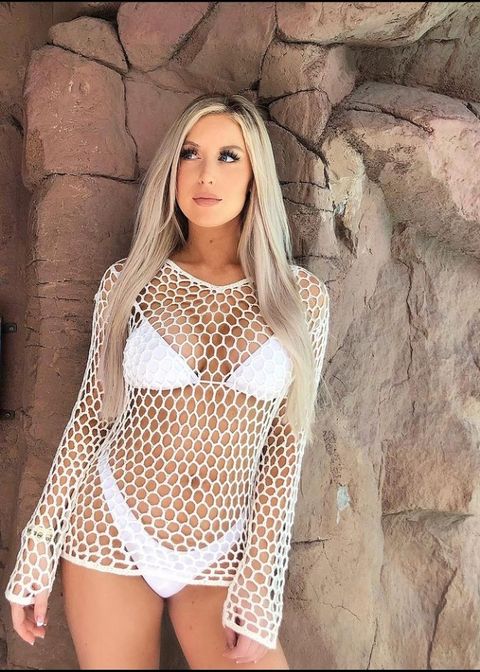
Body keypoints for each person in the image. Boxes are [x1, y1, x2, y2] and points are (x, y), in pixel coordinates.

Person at [5, 93, 330, 669]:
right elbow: (92, 416)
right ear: (172, 169)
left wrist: (262, 578)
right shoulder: (130, 282)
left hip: (225, 546)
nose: (206, 175)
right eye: (189, 153)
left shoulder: (300, 297)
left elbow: (286, 445)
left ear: (255, 175)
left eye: (228, 156)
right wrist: (38, 544)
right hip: (110, 526)